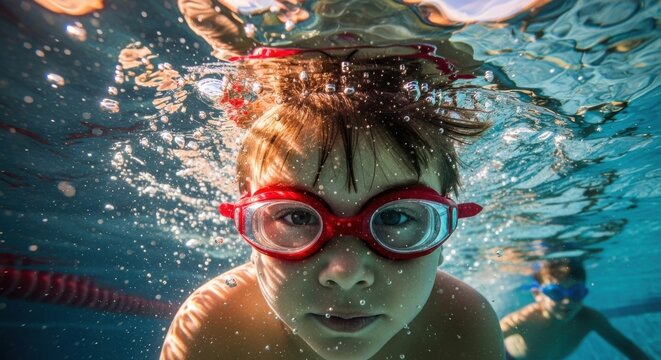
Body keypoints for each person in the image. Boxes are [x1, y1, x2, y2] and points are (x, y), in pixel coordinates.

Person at [160, 47, 504, 359]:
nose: (345, 273)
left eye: (397, 217)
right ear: (249, 231)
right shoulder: (213, 328)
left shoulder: (464, 327)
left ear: (443, 238)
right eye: (296, 217)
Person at [500, 258, 650, 360]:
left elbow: (626, 345)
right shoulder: (522, 319)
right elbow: (480, 342)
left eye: (576, 293)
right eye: (555, 292)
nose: (567, 301)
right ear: (538, 294)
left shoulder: (590, 318)